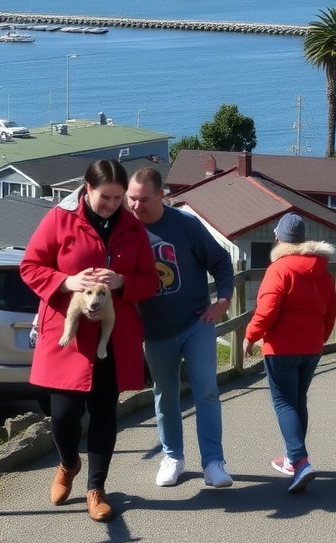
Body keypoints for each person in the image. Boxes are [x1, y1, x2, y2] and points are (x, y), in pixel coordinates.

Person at [21, 159, 160, 522]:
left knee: (103, 414)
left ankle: (96, 489)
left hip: (112, 339)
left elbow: (151, 280)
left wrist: (123, 282)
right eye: (106, 197)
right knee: (63, 415)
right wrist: (68, 282)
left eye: (118, 198)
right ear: (87, 188)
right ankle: (68, 463)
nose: (114, 205)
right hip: (67, 335)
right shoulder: (59, 219)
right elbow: (30, 267)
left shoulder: (133, 226)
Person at [125, 167, 235, 489]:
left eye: (144, 199)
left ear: (162, 196)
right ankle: (173, 457)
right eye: (132, 199)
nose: (136, 206)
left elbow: (221, 262)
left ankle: (213, 463)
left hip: (195, 322)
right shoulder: (125, 231)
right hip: (155, 330)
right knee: (165, 394)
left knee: (207, 390)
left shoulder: (186, 225)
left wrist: (224, 301)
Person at [242, 212, 336, 494]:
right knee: (298, 401)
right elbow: (332, 310)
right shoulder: (324, 271)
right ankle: (291, 459)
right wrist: (321, 337)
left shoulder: (279, 270)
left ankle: (299, 460)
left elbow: (267, 310)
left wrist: (250, 336)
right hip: (311, 347)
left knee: (284, 403)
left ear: (278, 238)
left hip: (281, 348)